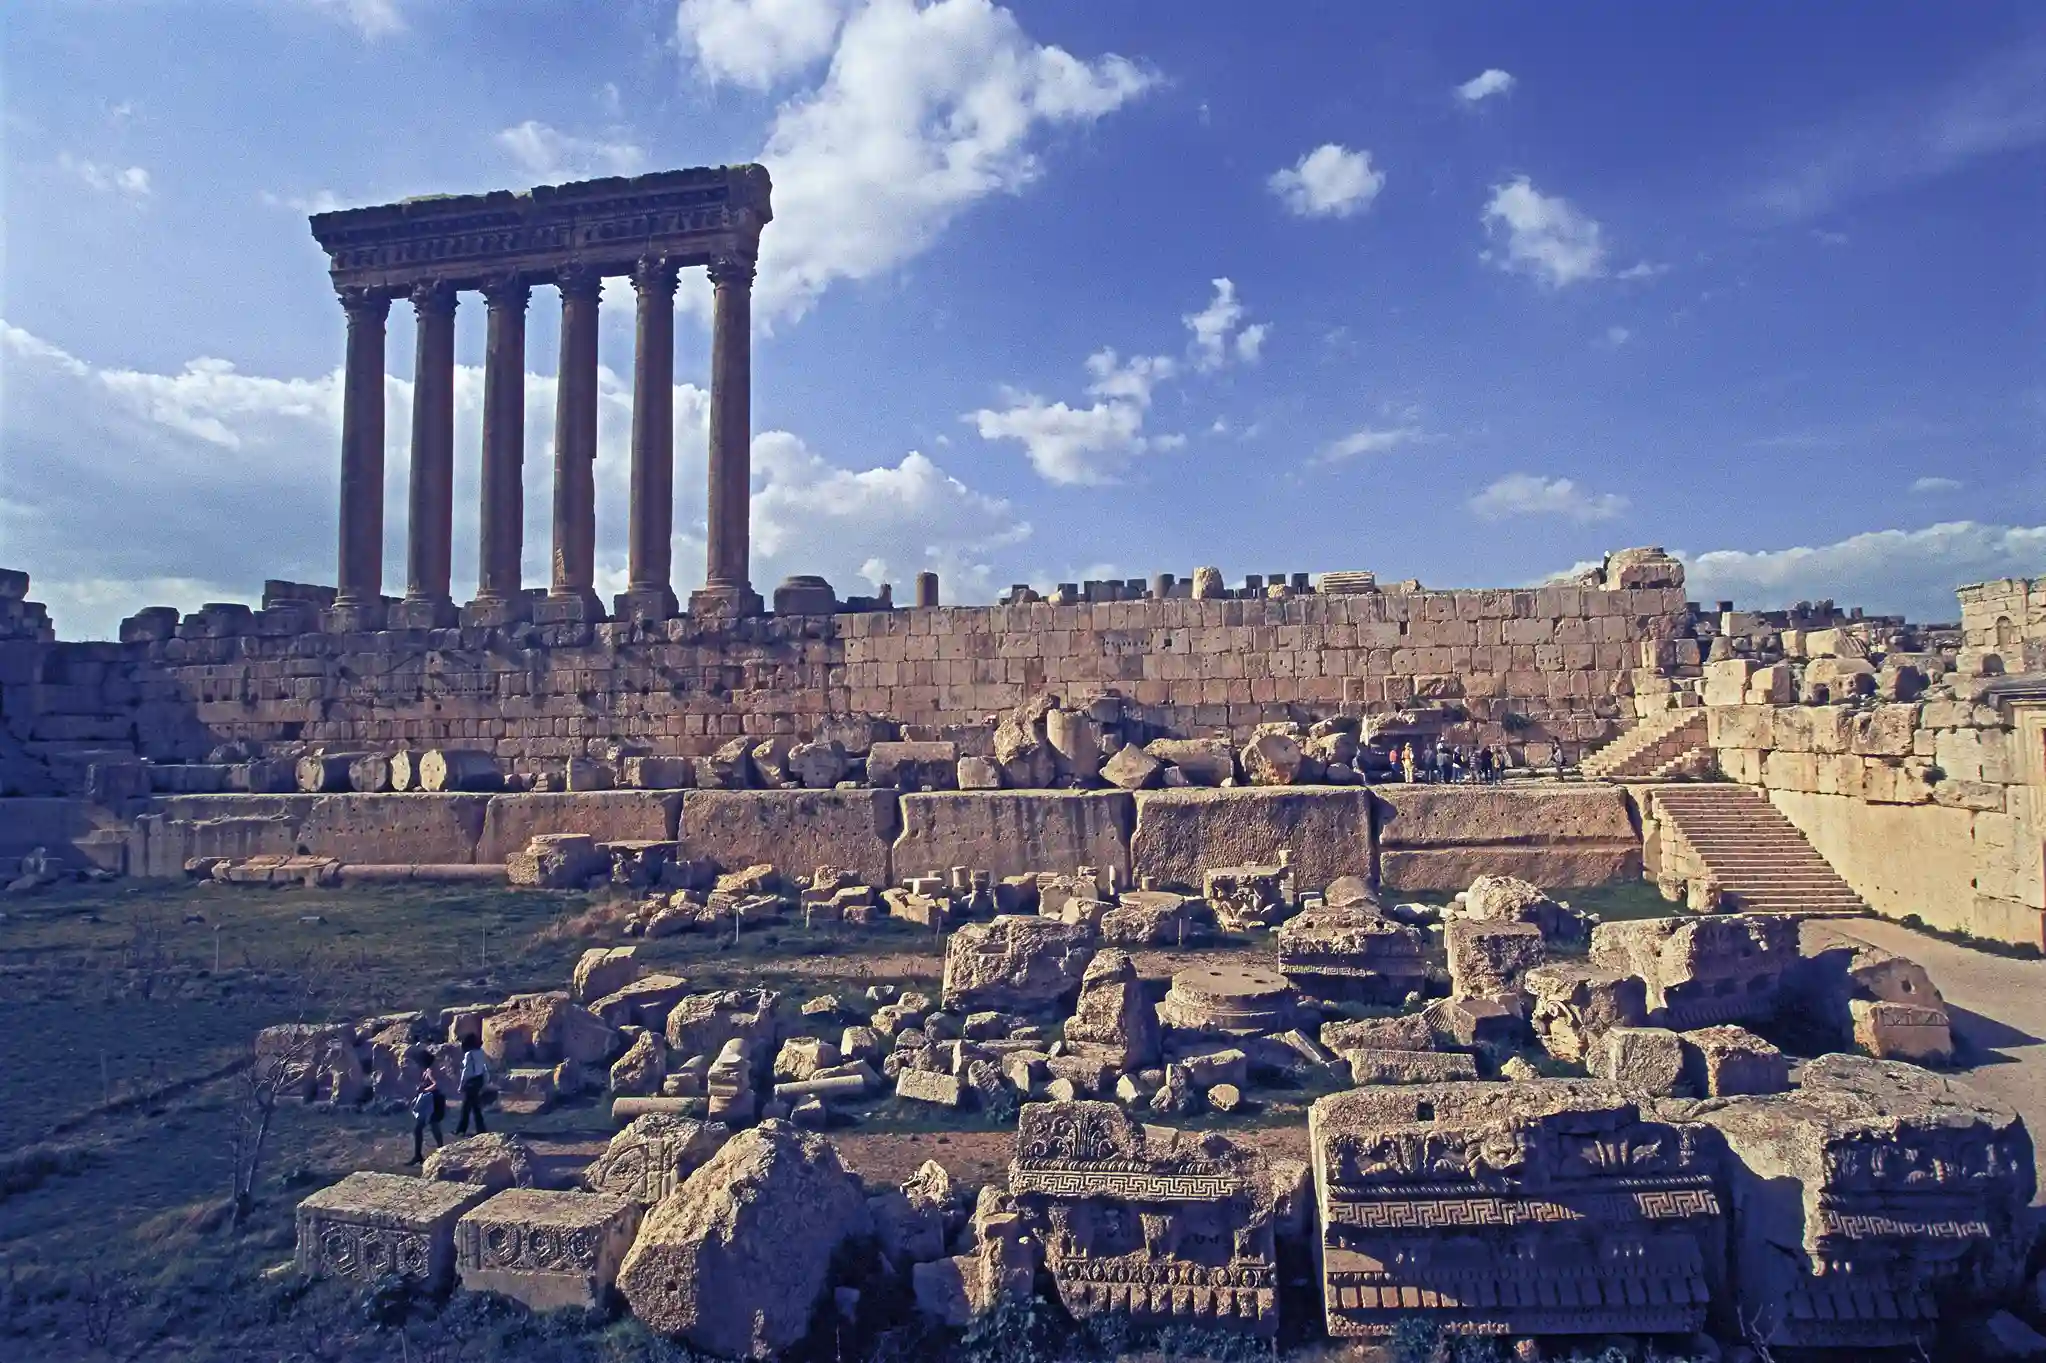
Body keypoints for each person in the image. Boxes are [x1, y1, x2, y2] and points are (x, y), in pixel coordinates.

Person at [407, 1064, 445, 1165]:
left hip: (433, 1102)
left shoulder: (431, 1071)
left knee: (431, 1127)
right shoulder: (429, 1070)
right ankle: (439, 1151)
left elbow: (436, 1084)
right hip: (432, 1101)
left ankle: (439, 1152)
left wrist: (424, 1090)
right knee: (428, 1128)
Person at [455, 1034, 490, 1136]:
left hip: (471, 1082)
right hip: (479, 1081)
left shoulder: (469, 1055)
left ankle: (461, 1130)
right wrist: (485, 1081)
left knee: (466, 1108)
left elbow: (466, 1072)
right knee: (475, 1107)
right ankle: (481, 1130)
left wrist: (461, 1085)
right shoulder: (481, 1052)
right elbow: (484, 1068)